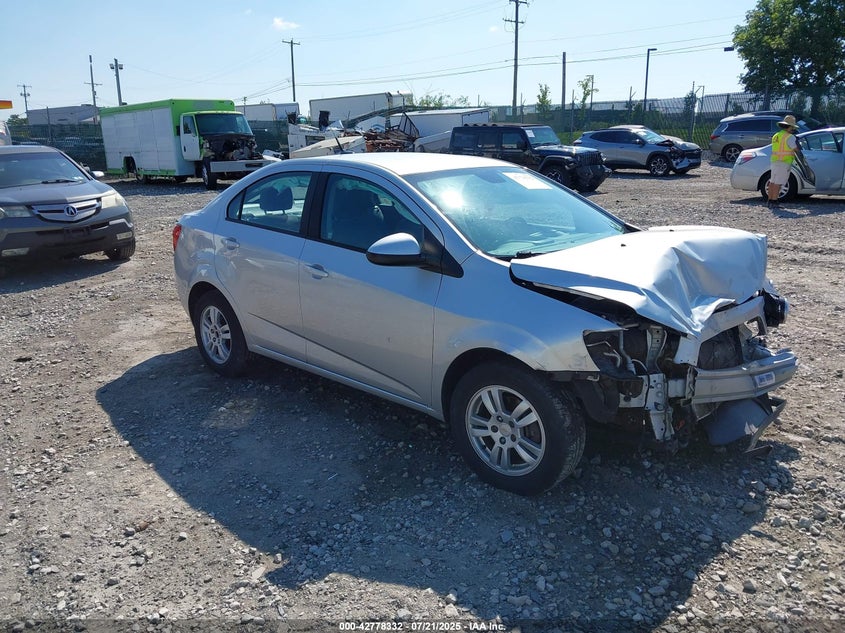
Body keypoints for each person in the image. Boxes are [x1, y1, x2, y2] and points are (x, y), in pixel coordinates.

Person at [766, 114, 800, 207]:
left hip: (774, 160)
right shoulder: (790, 137)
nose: (793, 128)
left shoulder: (776, 135)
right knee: (778, 182)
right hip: (784, 161)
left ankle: (770, 200)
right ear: (789, 126)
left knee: (772, 181)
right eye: (792, 126)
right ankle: (774, 201)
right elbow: (796, 149)